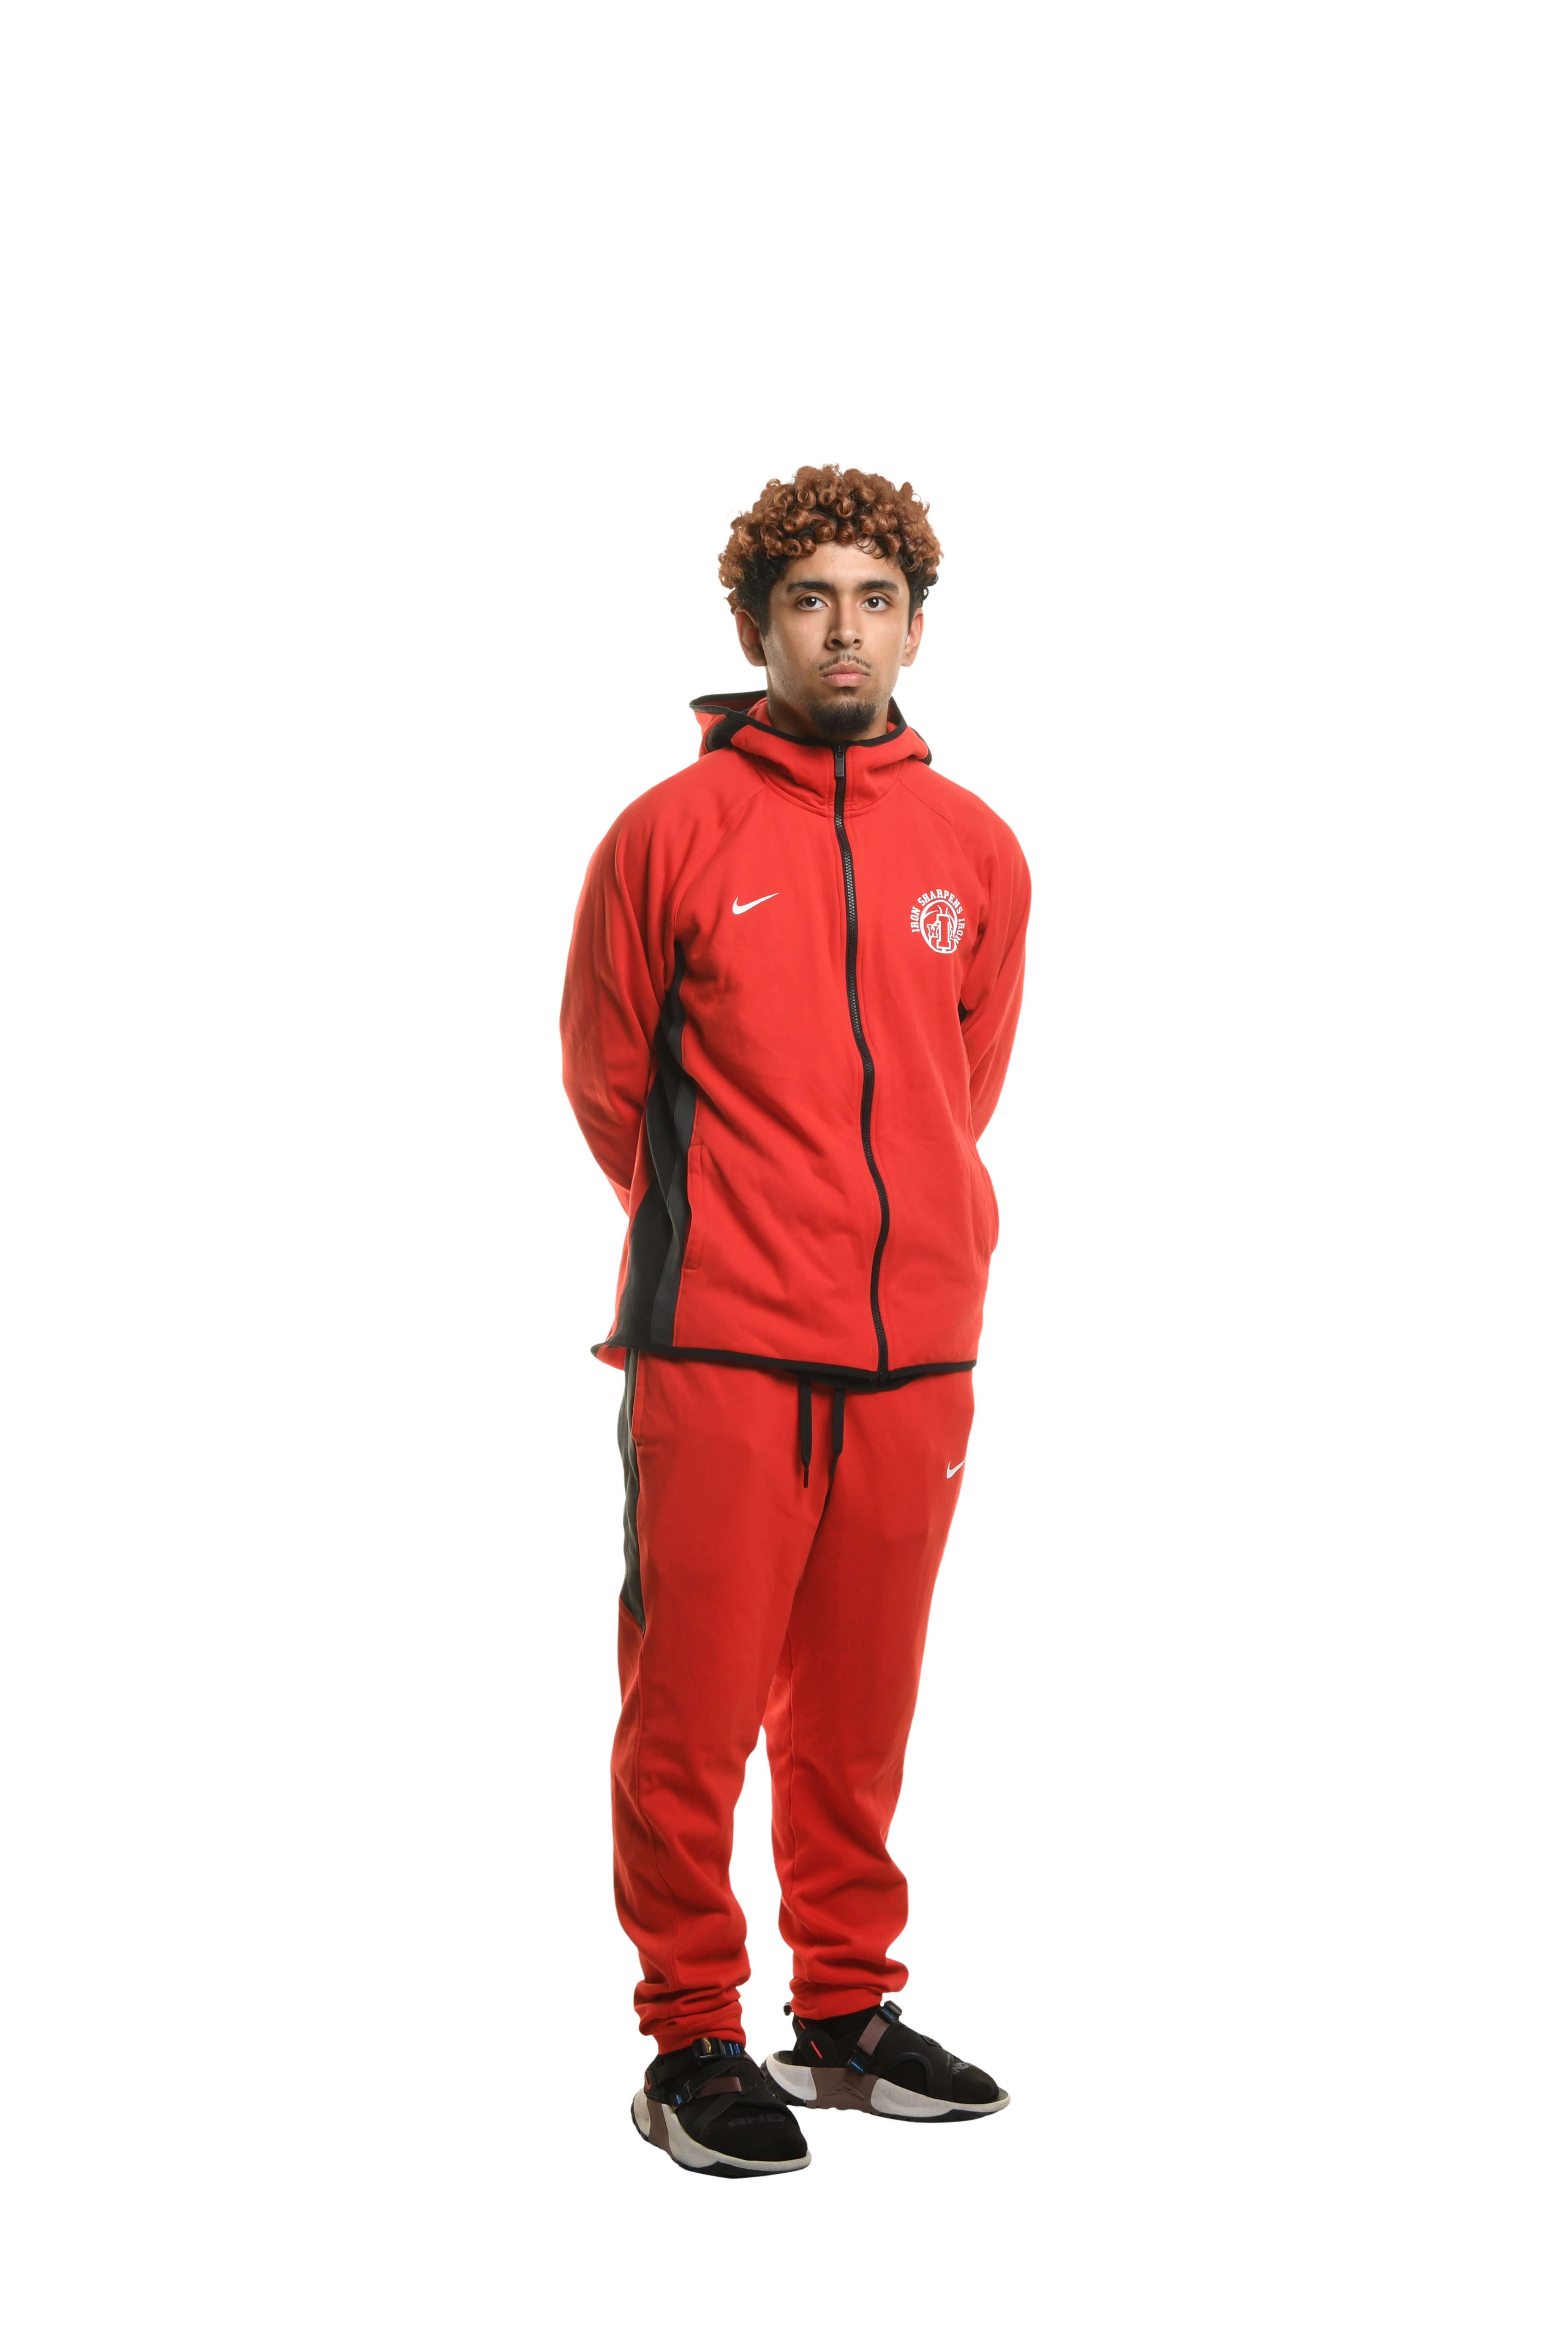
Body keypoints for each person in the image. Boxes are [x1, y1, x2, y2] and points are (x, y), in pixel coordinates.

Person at [559, 463, 1031, 2177]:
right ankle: (691, 2029)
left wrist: (899, 1235)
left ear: (915, 627)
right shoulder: (667, 835)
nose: (845, 630)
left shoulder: (976, 848)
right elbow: (610, 1084)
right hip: (719, 1348)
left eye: (875, 600)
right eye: (810, 599)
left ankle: (843, 2011)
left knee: (860, 1709)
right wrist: (744, 1234)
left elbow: (963, 1083)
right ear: (754, 622)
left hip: (916, 1352)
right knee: (689, 1709)